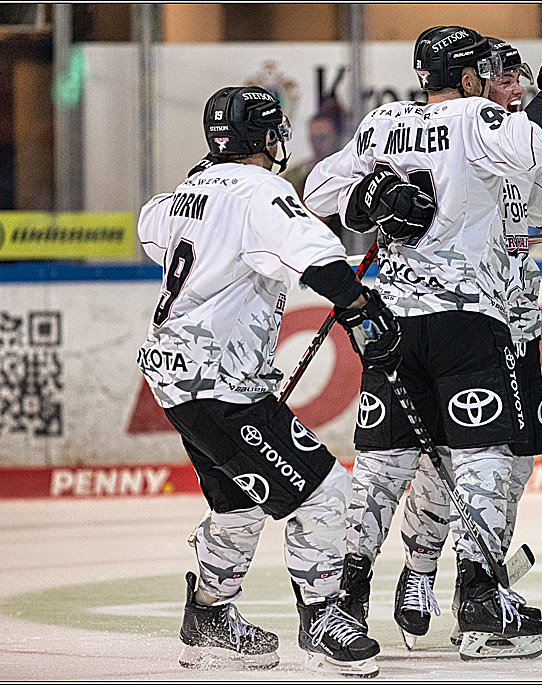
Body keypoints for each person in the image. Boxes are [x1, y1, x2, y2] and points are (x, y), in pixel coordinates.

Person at [302, 25, 542, 660]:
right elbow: (534, 145)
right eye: (489, 70)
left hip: (393, 323)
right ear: (470, 75)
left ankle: (344, 601)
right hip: (466, 321)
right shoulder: (480, 120)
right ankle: (479, 596)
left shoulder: (383, 124)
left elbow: (317, 190)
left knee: (381, 462)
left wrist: (372, 196)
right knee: (483, 452)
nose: (501, 82)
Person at [137, 85, 401, 676]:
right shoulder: (261, 190)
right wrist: (361, 307)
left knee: (237, 508)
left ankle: (207, 617)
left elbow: (153, 231)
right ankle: (325, 617)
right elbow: (313, 257)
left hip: (179, 379)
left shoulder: (180, 194)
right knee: (327, 492)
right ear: (265, 137)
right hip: (220, 387)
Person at [390, 36, 542, 651]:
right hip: (459, 326)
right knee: (446, 459)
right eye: (504, 78)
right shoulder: (469, 141)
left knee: (514, 461)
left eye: (520, 78)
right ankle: (424, 570)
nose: (515, 88)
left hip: (515, 330)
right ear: (477, 83)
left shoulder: (512, 154)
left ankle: (482, 580)